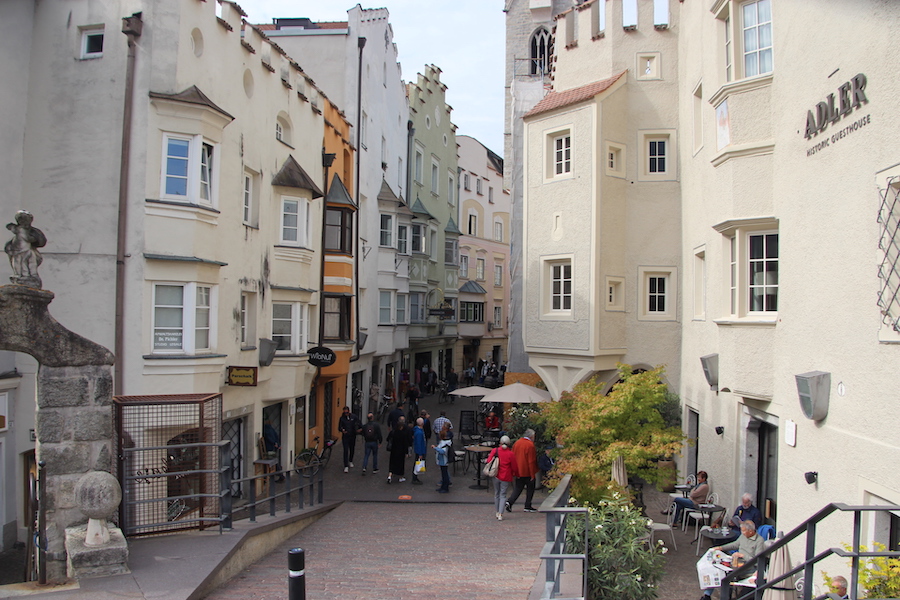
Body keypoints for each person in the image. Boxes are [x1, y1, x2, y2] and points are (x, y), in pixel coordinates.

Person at [703, 520, 765, 597]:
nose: (742, 533)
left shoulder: (759, 541)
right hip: (736, 563)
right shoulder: (744, 536)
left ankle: (726, 597)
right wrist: (721, 548)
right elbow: (735, 544)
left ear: (751, 531)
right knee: (715, 569)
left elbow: (757, 560)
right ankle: (707, 595)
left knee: (727, 576)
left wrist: (743, 555)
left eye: (744, 531)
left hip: (748, 567)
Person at [5, 210, 47, 286]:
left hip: (27, 250)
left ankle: (31, 275)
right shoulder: (19, 229)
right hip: (18, 251)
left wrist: (33, 239)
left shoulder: (31, 231)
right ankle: (20, 275)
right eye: (22, 220)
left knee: (30, 262)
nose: (24, 222)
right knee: (19, 263)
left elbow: (39, 240)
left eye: (26, 220)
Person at [505, 429, 539, 513]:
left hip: (518, 470)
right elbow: (531, 461)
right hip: (526, 470)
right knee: (530, 488)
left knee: (518, 488)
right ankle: (527, 505)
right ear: (531, 436)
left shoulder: (517, 443)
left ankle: (510, 502)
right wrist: (532, 474)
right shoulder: (530, 445)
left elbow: (512, 456)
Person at [487, 435, 518, 521]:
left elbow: (489, 461)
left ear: (500, 443)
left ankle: (497, 511)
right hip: (506, 476)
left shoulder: (495, 450)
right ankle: (500, 513)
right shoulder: (511, 454)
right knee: (503, 494)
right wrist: (515, 474)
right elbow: (514, 467)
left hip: (496, 474)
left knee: (496, 493)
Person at [386, 417, 411, 484]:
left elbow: (388, 439)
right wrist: (406, 452)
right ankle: (400, 477)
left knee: (392, 464)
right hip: (400, 451)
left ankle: (390, 475)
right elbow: (405, 444)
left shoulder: (393, 432)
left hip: (393, 451)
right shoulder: (403, 434)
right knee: (400, 464)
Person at [338, 406, 361, 473]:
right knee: (345, 450)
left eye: (347, 412)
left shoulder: (354, 417)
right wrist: (342, 430)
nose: (346, 414)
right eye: (345, 413)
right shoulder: (342, 418)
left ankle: (350, 460)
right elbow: (339, 427)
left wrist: (360, 429)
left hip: (352, 435)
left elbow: (359, 423)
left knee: (352, 449)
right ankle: (346, 465)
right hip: (345, 437)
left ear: (349, 411)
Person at [432, 429, 452, 493]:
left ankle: (445, 488)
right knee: (443, 474)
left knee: (444, 475)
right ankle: (443, 487)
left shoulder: (444, 443)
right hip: (442, 460)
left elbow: (442, 451)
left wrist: (435, 448)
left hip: (444, 460)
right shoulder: (444, 442)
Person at [412, 417, 427, 485]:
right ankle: (414, 478)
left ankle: (415, 477)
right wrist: (420, 453)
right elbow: (418, 443)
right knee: (417, 464)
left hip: (420, 450)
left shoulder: (418, 431)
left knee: (416, 463)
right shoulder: (419, 433)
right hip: (420, 451)